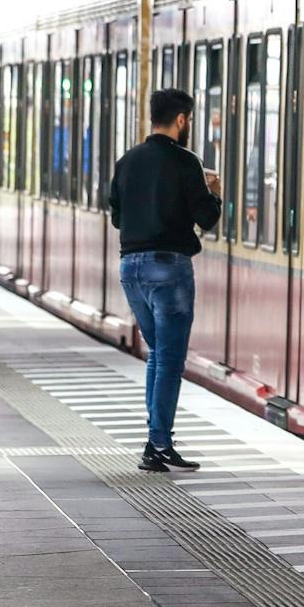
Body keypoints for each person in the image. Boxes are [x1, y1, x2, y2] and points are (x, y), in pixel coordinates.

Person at [106, 86, 223, 474]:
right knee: (169, 359)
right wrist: (214, 193)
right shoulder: (186, 162)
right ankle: (157, 445)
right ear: (182, 120)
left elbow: (118, 219)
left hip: (131, 269)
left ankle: (158, 441)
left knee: (158, 354)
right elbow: (206, 218)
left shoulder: (127, 162)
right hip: (168, 268)